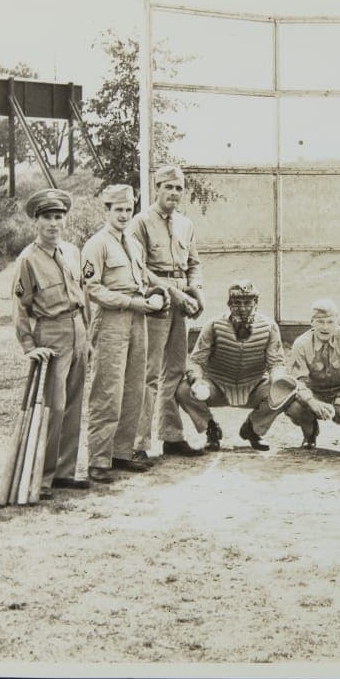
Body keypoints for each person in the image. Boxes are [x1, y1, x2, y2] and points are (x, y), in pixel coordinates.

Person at [80, 185, 167, 484]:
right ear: (106, 211)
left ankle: (122, 452)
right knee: (108, 388)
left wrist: (157, 296)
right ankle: (99, 459)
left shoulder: (134, 244)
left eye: (128, 209)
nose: (124, 215)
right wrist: (132, 302)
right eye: (118, 210)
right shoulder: (96, 244)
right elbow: (93, 290)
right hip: (112, 320)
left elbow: (142, 280)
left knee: (134, 388)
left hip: (137, 318)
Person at [10, 188, 90, 499]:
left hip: (77, 330)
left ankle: (64, 474)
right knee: (52, 408)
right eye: (47, 218)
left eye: (59, 217)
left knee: (72, 406)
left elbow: (83, 295)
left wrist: (87, 336)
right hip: (51, 334)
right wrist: (30, 346)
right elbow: (20, 308)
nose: (53, 224)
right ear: (36, 221)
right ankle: (41, 477)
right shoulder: (27, 259)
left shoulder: (72, 252)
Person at [126, 163, 205, 461]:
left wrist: (197, 291)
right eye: (168, 187)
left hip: (182, 301)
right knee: (148, 373)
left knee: (175, 370)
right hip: (156, 300)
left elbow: (194, 264)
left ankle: (171, 436)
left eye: (179, 188)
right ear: (156, 188)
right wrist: (174, 293)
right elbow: (139, 268)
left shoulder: (186, 224)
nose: (174, 193)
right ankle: (137, 444)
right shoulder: (140, 222)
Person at [175, 280, 289, 451]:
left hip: (254, 386)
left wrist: (279, 379)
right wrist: (197, 380)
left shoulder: (269, 326)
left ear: (256, 304)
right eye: (237, 303)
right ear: (229, 304)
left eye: (247, 303)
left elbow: (276, 362)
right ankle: (211, 429)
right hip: (218, 385)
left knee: (285, 392)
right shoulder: (214, 325)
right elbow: (197, 360)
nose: (242, 308)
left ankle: (253, 428)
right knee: (184, 390)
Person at [284, 298, 340, 455]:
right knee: (294, 407)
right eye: (320, 321)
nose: (325, 327)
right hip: (314, 392)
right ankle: (309, 434)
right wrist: (312, 402)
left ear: (337, 321)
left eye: (330, 322)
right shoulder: (301, 344)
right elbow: (298, 381)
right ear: (311, 322)